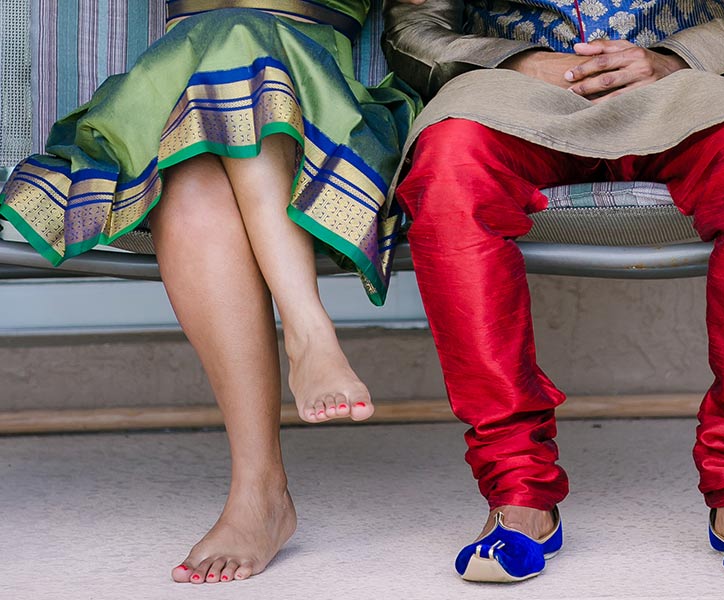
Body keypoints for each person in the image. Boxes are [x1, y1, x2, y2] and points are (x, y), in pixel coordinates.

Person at [383, 0, 724, 582]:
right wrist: (513, 61)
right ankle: (518, 490)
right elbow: (412, 27)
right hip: (508, 98)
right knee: (449, 170)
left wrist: (672, 59)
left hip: (687, 90)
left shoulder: (680, 71)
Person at [0, 0, 417, 584]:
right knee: (202, 136)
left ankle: (267, 467)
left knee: (219, 99)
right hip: (167, 97)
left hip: (316, 105)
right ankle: (283, 414)